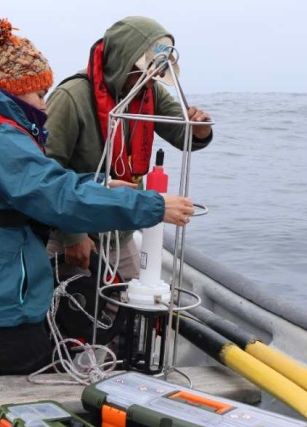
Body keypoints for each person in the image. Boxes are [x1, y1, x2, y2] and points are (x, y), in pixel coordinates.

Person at [0, 17, 196, 377]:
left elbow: (22, 189)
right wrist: (153, 205)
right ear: (15, 91)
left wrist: (99, 185)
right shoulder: (5, 142)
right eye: (40, 94)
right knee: (39, 394)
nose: (45, 106)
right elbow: (62, 200)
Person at [44, 16, 214, 278]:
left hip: (121, 234)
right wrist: (72, 236)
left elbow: (183, 134)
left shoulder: (149, 91)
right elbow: (47, 171)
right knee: (69, 312)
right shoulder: (71, 96)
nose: (153, 77)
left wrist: (200, 129)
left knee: (128, 309)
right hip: (73, 233)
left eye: (157, 71)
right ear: (123, 61)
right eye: (146, 69)